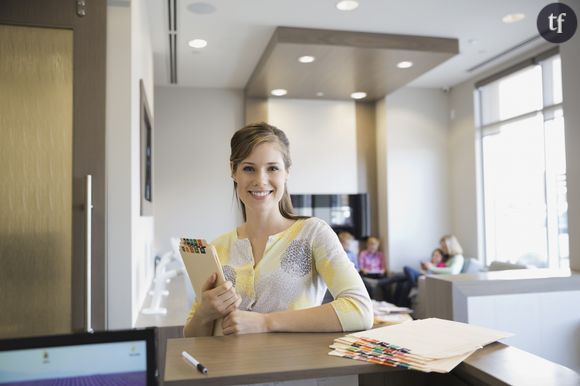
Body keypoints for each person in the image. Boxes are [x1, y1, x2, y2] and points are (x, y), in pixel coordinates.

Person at [183, 122, 373, 337]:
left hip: (292, 369)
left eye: (272, 168)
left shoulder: (313, 233)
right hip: (227, 370)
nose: (260, 180)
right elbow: (191, 338)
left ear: (287, 173)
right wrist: (204, 314)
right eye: (248, 168)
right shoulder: (217, 247)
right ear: (233, 171)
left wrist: (266, 322)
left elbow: (360, 310)